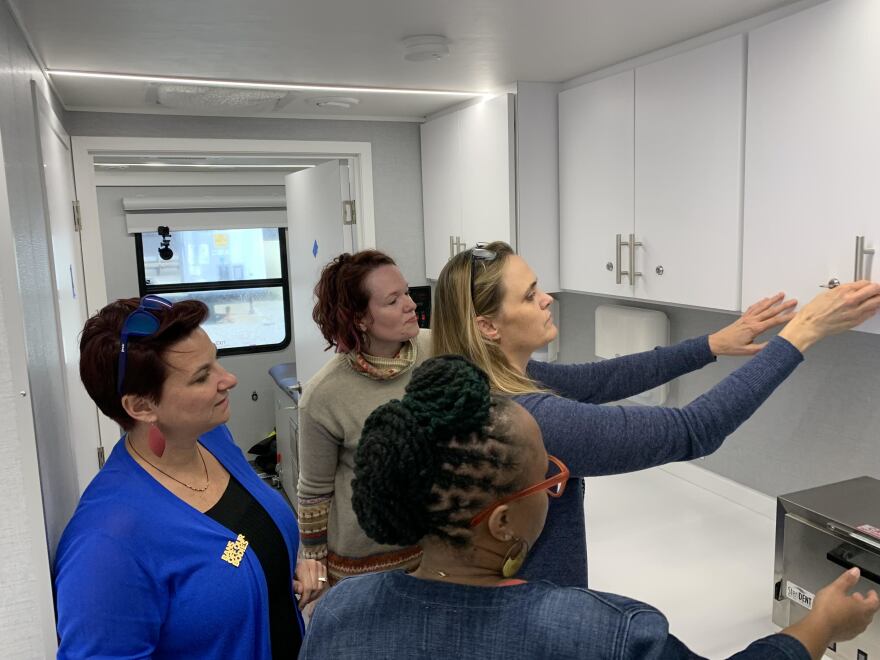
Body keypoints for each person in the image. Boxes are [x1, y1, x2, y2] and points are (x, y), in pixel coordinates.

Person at [299, 355, 879, 660]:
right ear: (502, 523)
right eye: (548, 479)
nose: (556, 485)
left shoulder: (340, 614)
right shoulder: (602, 633)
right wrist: (822, 622)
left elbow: (600, 377)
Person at [432, 241, 880, 588]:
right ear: (488, 326)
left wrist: (710, 345)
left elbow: (601, 379)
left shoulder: (482, 384)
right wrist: (803, 333)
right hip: (534, 614)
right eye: (530, 295)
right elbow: (694, 430)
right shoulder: (527, 418)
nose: (546, 298)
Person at [55, 295, 325, 659]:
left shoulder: (213, 440)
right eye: (202, 376)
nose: (228, 379)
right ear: (141, 406)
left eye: (216, 360)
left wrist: (283, 563)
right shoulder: (106, 545)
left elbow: (240, 545)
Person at [297, 250, 431, 582]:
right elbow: (314, 492)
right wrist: (315, 567)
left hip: (432, 550)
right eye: (392, 300)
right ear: (360, 318)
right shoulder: (323, 394)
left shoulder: (437, 348)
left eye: (407, 292)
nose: (411, 304)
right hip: (363, 564)